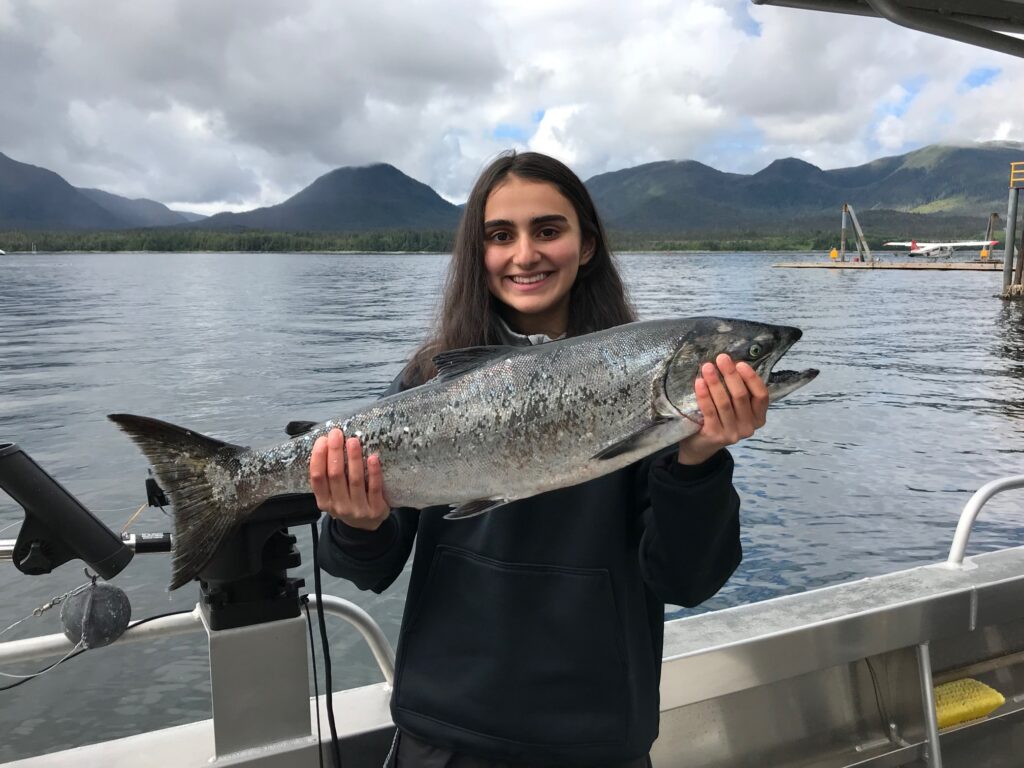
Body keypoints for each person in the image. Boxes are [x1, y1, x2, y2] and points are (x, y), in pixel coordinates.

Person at [312, 151, 769, 767]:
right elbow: (367, 564)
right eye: (500, 236)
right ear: (480, 254)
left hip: (597, 739)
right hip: (446, 735)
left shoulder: (648, 386)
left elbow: (688, 580)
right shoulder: (431, 376)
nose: (524, 254)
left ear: (586, 246)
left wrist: (700, 461)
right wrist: (356, 522)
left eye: (548, 230)